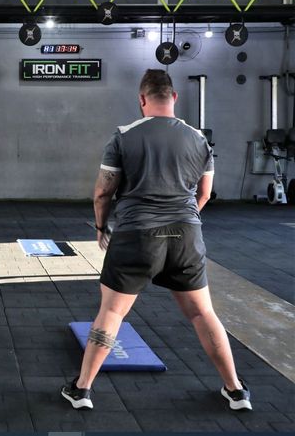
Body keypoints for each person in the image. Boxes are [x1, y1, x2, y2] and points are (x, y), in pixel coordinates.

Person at [61, 69, 251, 411]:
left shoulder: (123, 136)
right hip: (186, 236)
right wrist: (184, 222)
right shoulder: (199, 139)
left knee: (112, 312)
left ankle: (81, 390)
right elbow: (205, 193)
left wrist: (101, 228)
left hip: (136, 236)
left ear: (141, 99)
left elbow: (103, 193)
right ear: (174, 97)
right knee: (202, 313)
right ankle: (235, 390)